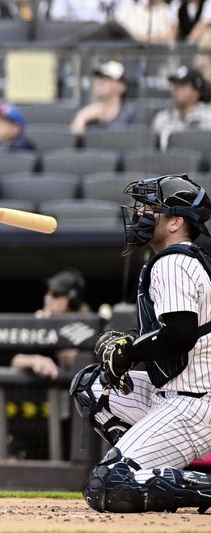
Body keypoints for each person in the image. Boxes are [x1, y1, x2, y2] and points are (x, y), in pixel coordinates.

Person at [70, 174, 211, 513]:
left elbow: (180, 334)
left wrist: (129, 353)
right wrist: (131, 344)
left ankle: (157, 477)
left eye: (152, 208)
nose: (141, 214)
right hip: (176, 391)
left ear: (176, 222)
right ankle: (158, 470)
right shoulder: (181, 259)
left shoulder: (173, 262)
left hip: (195, 403)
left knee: (108, 485)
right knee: (93, 386)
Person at [11, 269, 88, 380]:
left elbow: (79, 366)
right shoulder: (42, 320)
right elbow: (15, 360)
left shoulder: (87, 325)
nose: (47, 298)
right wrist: (34, 360)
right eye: (48, 293)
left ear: (73, 300)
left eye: (55, 295)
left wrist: (58, 335)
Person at [70, 60, 140, 135]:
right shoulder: (89, 112)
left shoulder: (131, 114)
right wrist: (82, 117)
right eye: (99, 77)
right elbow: (73, 141)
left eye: (107, 78)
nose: (100, 82)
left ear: (121, 86)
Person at [151, 65, 211, 150]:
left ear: (196, 92)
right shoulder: (162, 118)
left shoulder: (208, 118)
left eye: (182, 85)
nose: (176, 89)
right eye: (175, 85)